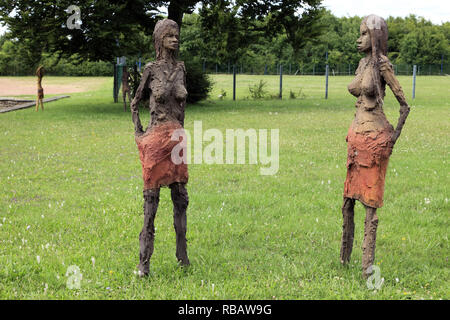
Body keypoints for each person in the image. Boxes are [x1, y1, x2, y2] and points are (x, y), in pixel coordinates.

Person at [340, 15, 411, 278]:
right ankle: (344, 259)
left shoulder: (382, 65)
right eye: (359, 34)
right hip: (356, 140)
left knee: (370, 207)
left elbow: (404, 105)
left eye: (363, 34)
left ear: (376, 37)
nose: (359, 39)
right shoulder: (362, 63)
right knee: (347, 203)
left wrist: (392, 139)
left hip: (375, 142)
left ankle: (367, 269)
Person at [130, 19, 189, 276]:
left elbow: (183, 107)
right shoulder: (151, 69)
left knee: (181, 199)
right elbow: (135, 102)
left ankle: (182, 254)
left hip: (177, 141)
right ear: (159, 39)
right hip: (155, 142)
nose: (174, 40)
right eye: (169, 36)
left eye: (176, 36)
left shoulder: (181, 68)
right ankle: (144, 263)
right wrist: (140, 135)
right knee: (151, 205)